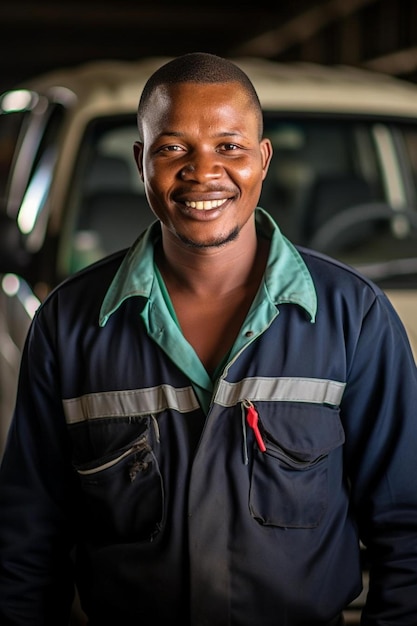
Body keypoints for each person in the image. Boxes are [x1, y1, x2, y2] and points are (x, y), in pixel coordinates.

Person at [0, 52, 417, 626]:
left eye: (229, 147)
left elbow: (408, 534)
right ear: (140, 162)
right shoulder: (68, 326)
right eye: (173, 149)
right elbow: (26, 547)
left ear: (262, 159)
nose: (203, 172)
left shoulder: (355, 318)